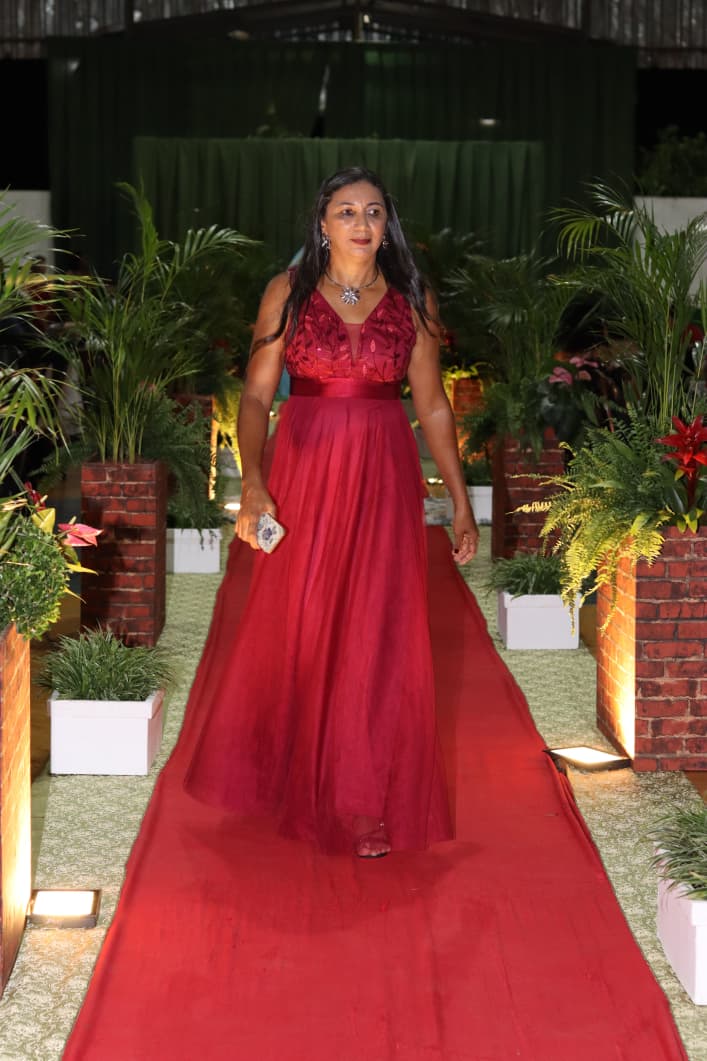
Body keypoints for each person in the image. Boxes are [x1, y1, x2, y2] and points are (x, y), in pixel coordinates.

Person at [184, 167, 479, 859]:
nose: (360, 223)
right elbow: (255, 397)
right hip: (306, 469)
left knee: (376, 631)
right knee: (303, 621)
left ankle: (360, 801)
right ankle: (290, 772)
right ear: (321, 223)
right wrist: (255, 483)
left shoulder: (412, 297)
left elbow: (433, 405)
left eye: (373, 211)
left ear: (387, 225)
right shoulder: (286, 292)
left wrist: (461, 502)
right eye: (346, 211)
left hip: (383, 475)